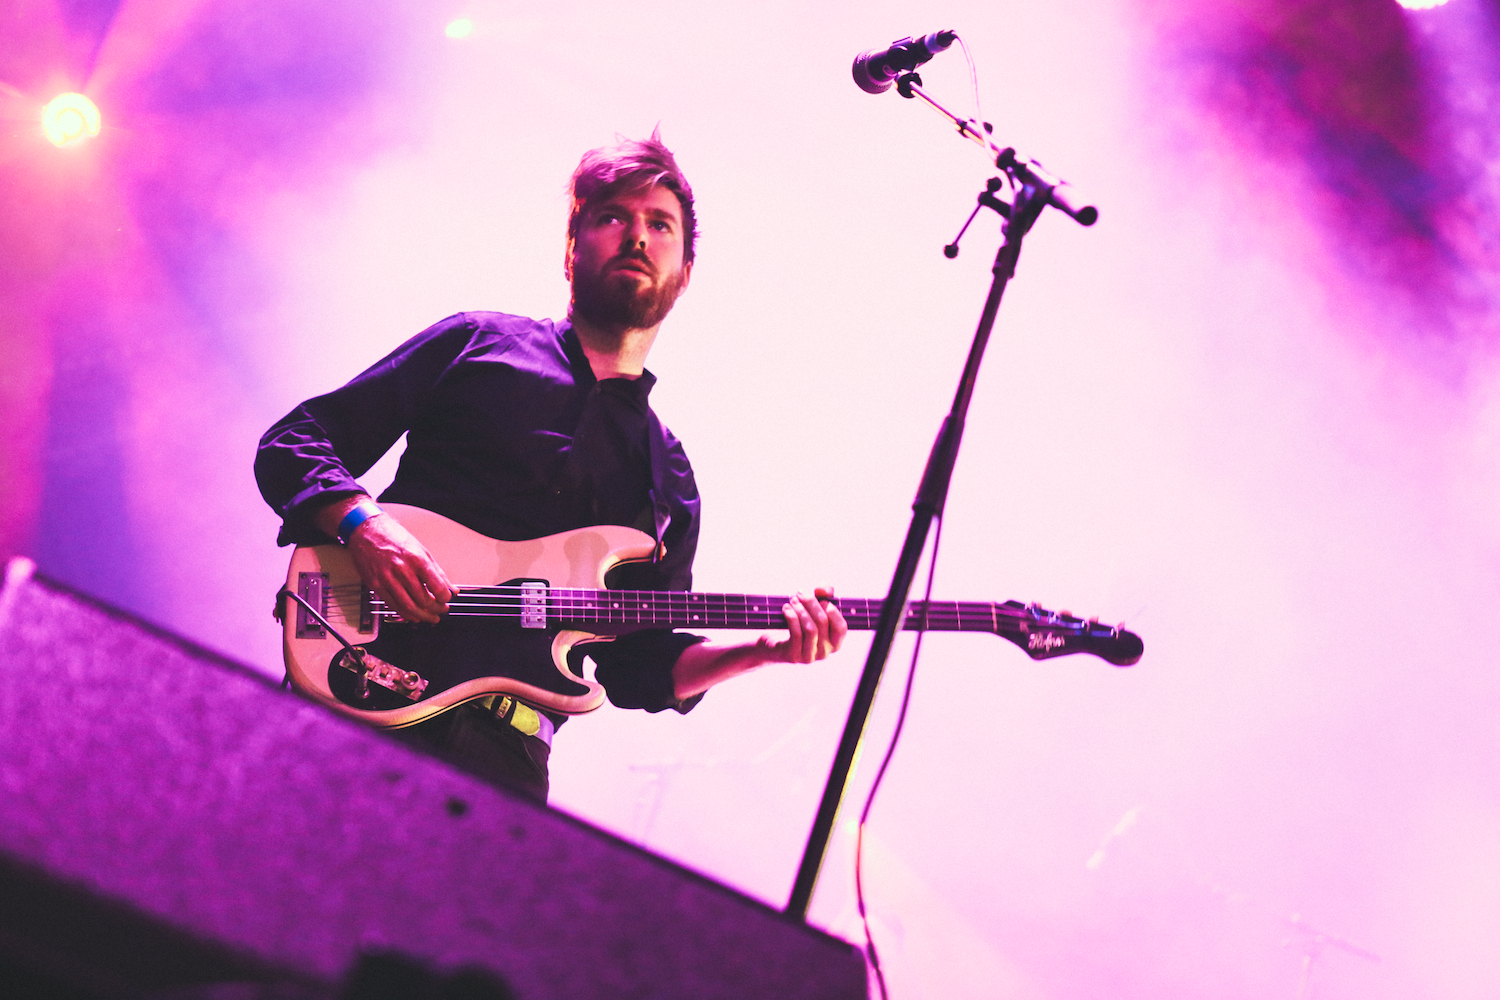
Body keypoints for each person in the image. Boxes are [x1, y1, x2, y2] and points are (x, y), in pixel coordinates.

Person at [255, 133, 846, 802]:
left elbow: (639, 668)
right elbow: (295, 442)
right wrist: (365, 525)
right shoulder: (477, 343)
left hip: (502, 761)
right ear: (572, 247)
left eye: (660, 225)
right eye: (612, 216)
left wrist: (764, 650)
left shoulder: (667, 476)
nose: (637, 237)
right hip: (364, 687)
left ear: (685, 273)